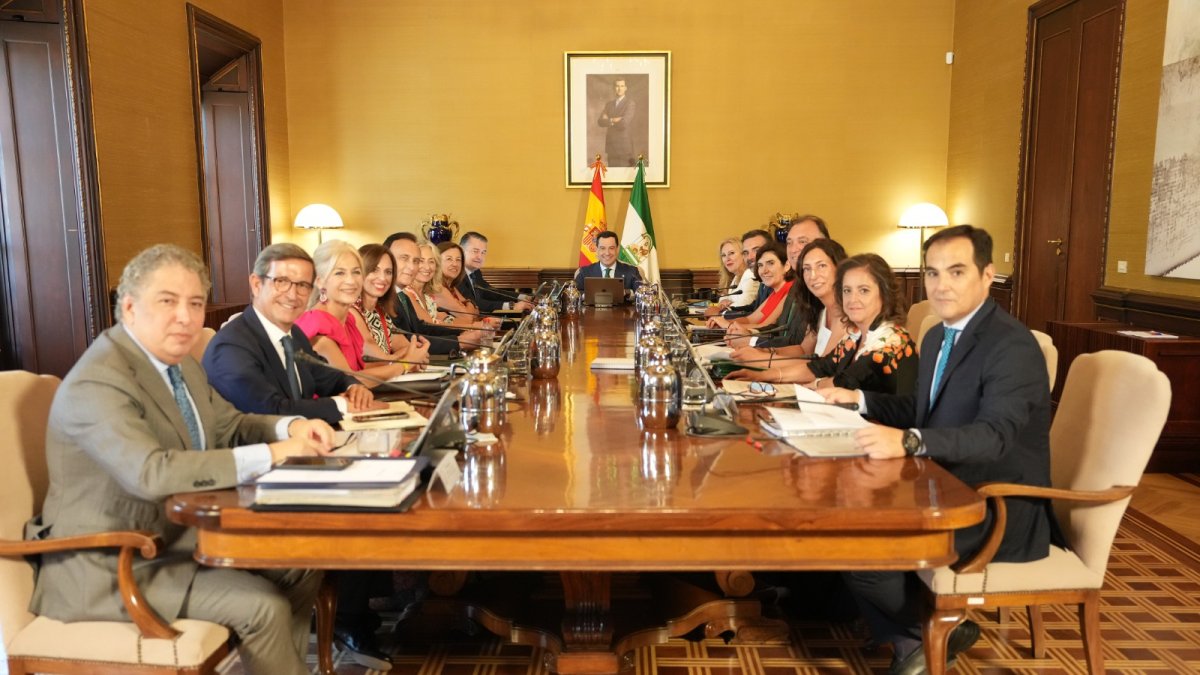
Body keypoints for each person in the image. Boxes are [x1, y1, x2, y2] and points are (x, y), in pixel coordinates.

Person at [27, 244, 335, 675]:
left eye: (194, 304)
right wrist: (271, 453)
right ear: (130, 307)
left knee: (302, 567)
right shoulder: (98, 380)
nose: (186, 318)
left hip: (178, 538)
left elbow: (228, 424)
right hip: (113, 562)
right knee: (263, 607)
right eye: (167, 302)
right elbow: (151, 473)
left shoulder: (179, 365)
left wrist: (290, 428)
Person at [823, 226, 1059, 675]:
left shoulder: (1011, 345)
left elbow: (994, 436)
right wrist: (861, 400)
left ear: (988, 275)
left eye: (956, 271)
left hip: (996, 504)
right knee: (841, 517)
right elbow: (924, 407)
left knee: (863, 549)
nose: (941, 285)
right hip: (943, 483)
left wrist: (910, 441)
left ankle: (937, 627)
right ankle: (913, 635)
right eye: (932, 273)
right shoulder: (937, 335)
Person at [204, 243, 379, 426]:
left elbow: (327, 376)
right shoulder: (232, 346)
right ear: (256, 285)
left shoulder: (292, 334)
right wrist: (343, 404)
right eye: (281, 282)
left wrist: (353, 387)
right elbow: (271, 411)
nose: (293, 295)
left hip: (305, 441)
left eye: (303, 285)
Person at [727, 253, 915, 395]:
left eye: (864, 290)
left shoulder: (891, 340)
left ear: (885, 293)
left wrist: (809, 386)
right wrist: (763, 375)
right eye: (847, 290)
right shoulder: (856, 335)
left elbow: (845, 381)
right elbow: (821, 366)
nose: (853, 299)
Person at [295, 240, 411, 384]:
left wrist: (408, 359)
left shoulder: (348, 320)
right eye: (339, 273)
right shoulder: (318, 328)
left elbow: (368, 367)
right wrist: (405, 365)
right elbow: (350, 383)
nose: (351, 281)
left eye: (356, 272)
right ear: (320, 282)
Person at [730, 238, 849, 359]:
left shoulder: (849, 313)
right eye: (807, 268)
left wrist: (754, 345)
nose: (813, 275)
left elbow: (816, 364)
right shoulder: (820, 308)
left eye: (822, 266)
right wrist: (759, 353)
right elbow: (804, 350)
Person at [389, 233, 486, 355]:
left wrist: (465, 333)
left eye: (431, 261)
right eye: (405, 259)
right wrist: (461, 339)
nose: (426, 267)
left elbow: (424, 328)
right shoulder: (402, 294)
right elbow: (416, 336)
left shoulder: (408, 295)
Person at [352, 243, 431, 367]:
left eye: (388, 272)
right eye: (374, 270)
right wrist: (407, 359)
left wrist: (411, 356)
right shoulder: (352, 311)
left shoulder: (380, 311)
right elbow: (376, 361)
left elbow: (407, 347)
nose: (383, 278)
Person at [413, 241, 499, 331]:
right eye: (449, 259)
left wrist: (479, 324)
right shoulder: (417, 292)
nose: (427, 267)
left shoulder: (428, 294)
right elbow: (469, 317)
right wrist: (480, 325)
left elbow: (446, 320)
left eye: (431, 261)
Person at [707, 243, 793, 330]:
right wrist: (719, 321)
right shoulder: (775, 292)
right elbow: (750, 319)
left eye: (771, 263)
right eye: (760, 265)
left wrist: (727, 325)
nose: (764, 271)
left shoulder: (791, 290)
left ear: (786, 266)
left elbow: (765, 327)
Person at [456, 231, 534, 313]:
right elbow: (474, 303)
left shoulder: (476, 272)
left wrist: (522, 297)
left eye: (483, 252)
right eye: (475, 251)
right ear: (461, 250)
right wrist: (512, 306)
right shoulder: (456, 274)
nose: (480, 257)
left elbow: (491, 292)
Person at [722, 229, 774, 320]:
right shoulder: (763, 281)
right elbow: (754, 309)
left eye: (756, 250)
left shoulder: (776, 282)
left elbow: (764, 319)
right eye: (746, 253)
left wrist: (722, 314)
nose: (750, 257)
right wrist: (724, 313)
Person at [573, 230, 644, 293]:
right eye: (602, 248)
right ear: (597, 250)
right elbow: (575, 293)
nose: (607, 253)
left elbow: (640, 293)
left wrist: (625, 292)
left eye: (611, 248)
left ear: (618, 249)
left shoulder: (631, 271)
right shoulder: (584, 272)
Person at [705, 237, 759, 316]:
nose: (727, 258)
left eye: (732, 253)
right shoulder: (736, 277)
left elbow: (744, 305)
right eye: (723, 255)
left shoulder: (750, 275)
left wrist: (722, 308)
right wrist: (724, 303)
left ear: (743, 254)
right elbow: (723, 299)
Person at [597, 77, 636, 167]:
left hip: (624, 147)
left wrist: (608, 119)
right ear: (614, 88)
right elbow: (600, 122)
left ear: (626, 88)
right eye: (617, 86)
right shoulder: (609, 104)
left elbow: (624, 123)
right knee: (612, 177)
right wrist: (613, 119)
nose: (619, 88)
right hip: (611, 147)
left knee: (624, 177)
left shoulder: (630, 103)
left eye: (622, 86)